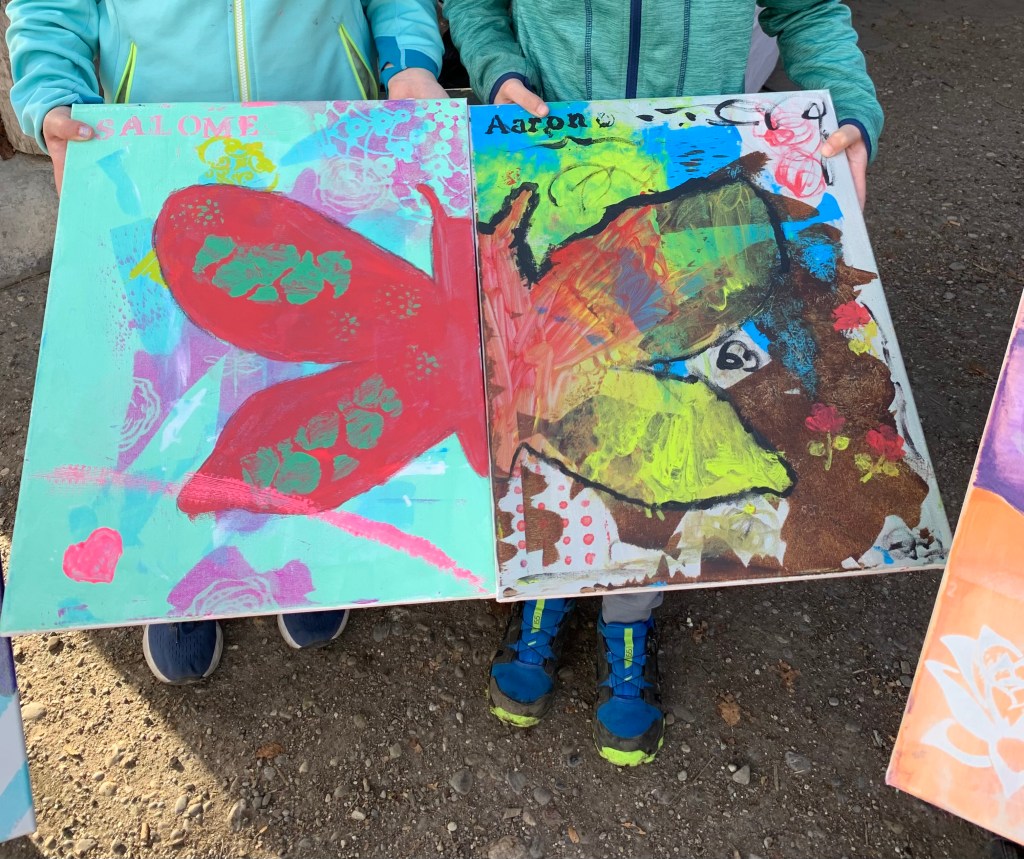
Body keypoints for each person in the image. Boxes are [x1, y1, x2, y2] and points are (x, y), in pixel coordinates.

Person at [445, 0, 883, 765]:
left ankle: (630, 603)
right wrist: (497, 66)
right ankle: (547, 582)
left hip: (688, 173)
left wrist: (849, 111)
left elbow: (811, 10)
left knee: (660, 422)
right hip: (553, 166)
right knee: (543, 398)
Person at [6, 0, 449, 683]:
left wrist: (406, 60)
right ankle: (174, 571)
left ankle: (303, 549)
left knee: (313, 373)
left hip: (320, 140)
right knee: (169, 378)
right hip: (159, 148)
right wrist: (55, 94)